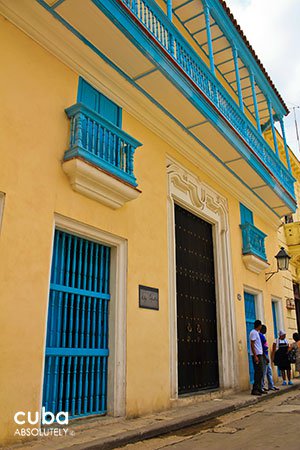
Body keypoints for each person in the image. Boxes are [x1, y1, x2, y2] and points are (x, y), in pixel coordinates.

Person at [259, 325, 279, 391]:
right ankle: (261, 386)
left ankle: (271, 385)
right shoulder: (260, 336)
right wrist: (265, 357)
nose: (266, 330)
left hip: (266, 354)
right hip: (264, 355)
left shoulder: (262, 336)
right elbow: (262, 347)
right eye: (265, 329)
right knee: (264, 371)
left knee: (268, 371)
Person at [249, 319, 266, 395]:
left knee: (261, 372)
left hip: (260, 354)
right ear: (259, 326)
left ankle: (259, 388)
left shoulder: (257, 333)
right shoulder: (253, 333)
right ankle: (255, 389)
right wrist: (255, 356)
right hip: (257, 355)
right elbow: (252, 344)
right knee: (258, 372)